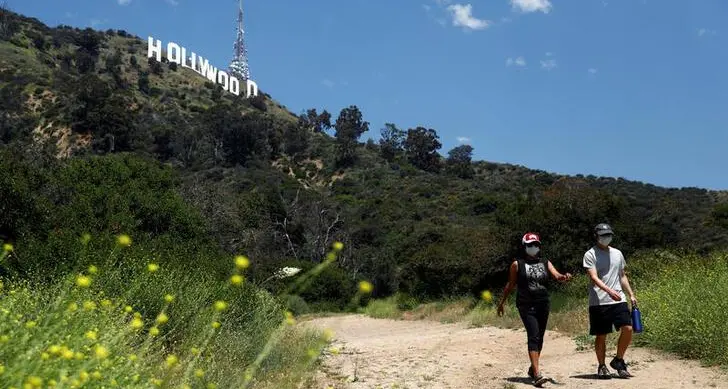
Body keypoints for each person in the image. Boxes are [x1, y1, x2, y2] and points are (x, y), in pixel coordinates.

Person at [497, 232, 572, 387]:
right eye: (530, 245)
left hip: (543, 303)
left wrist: (563, 277)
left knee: (540, 338)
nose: (533, 248)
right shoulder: (517, 264)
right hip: (526, 304)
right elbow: (510, 285)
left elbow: (556, 275)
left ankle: (532, 368)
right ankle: (537, 375)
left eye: (536, 245)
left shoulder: (545, 262)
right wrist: (502, 302)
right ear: (524, 247)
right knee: (533, 335)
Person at [583, 223, 637, 379]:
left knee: (627, 328)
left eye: (609, 234)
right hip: (599, 301)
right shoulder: (590, 254)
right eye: (603, 235)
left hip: (618, 299)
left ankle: (618, 360)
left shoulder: (617, 253)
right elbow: (593, 277)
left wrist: (631, 294)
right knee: (601, 335)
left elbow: (622, 275)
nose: (606, 238)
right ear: (596, 236)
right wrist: (608, 290)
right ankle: (602, 366)